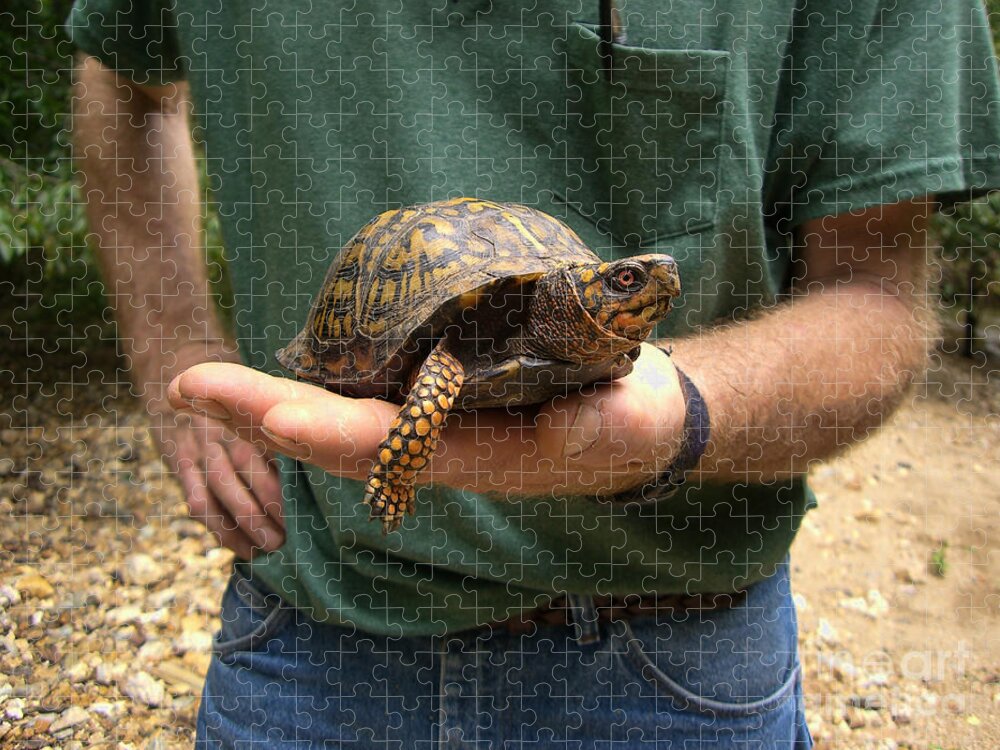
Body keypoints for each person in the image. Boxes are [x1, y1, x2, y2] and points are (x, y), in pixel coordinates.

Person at [68, 0, 1000, 746]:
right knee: (438, 377)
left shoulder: (582, 322)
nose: (650, 289)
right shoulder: (487, 328)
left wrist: (682, 411)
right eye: (629, 282)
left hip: (685, 666)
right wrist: (176, 358)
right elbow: (121, 76)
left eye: (641, 285)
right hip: (309, 641)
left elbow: (878, 293)